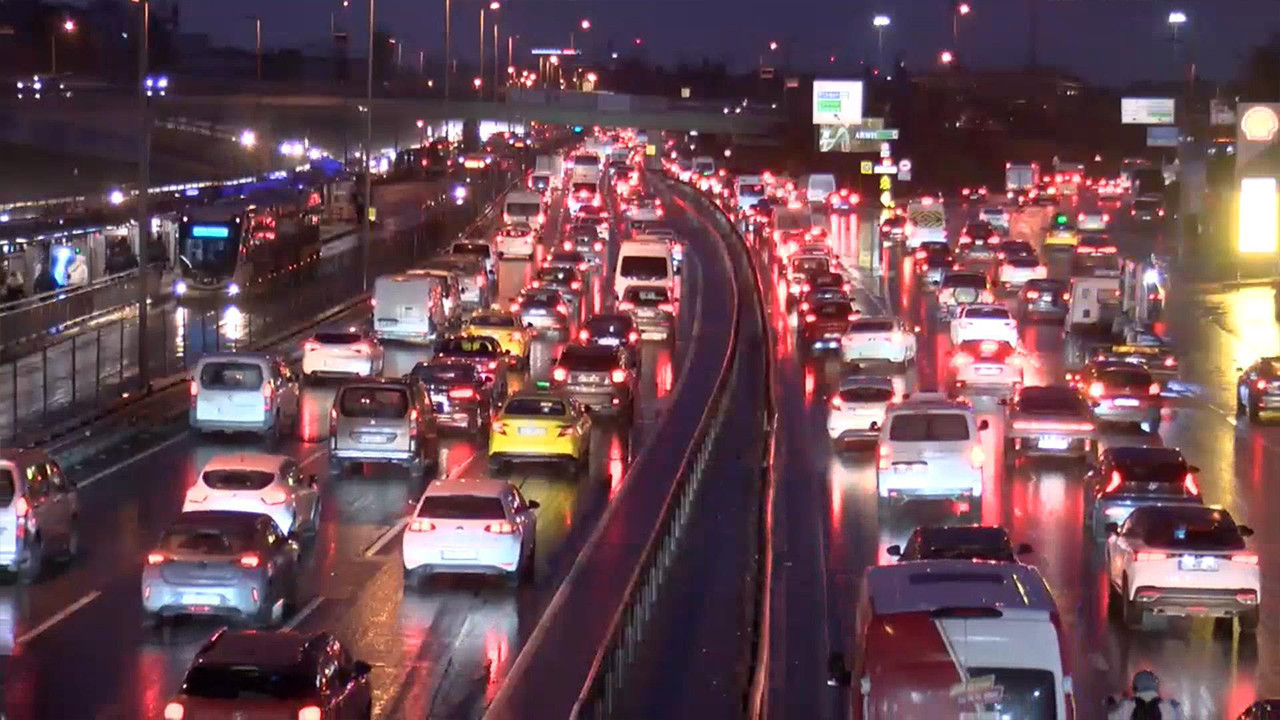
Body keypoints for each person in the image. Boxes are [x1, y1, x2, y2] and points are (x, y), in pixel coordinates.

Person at [1106, 670, 1185, 719]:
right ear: (1155, 686)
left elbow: (1108, 715)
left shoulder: (1125, 706)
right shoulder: (1171, 707)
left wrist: (1112, 700)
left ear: (1135, 687)